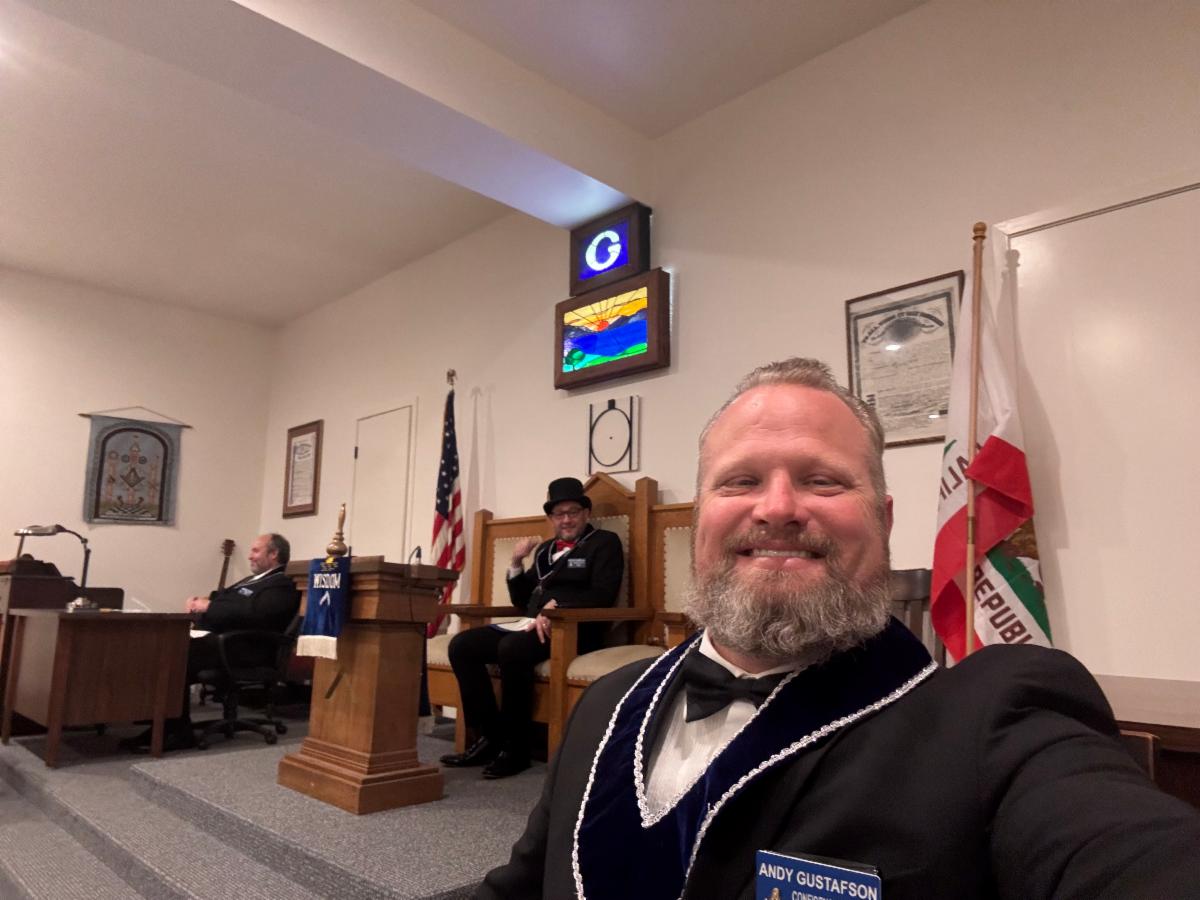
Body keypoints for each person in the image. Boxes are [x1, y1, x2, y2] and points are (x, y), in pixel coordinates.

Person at [479, 359, 1200, 899]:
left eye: (824, 480)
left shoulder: (998, 718)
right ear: (701, 520)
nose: (779, 507)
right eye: (740, 481)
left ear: (884, 521)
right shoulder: (607, 703)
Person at [441, 477, 624, 779]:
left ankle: (516, 749)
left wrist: (560, 608)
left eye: (573, 512)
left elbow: (603, 594)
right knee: (462, 646)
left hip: (576, 630)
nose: (566, 519)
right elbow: (522, 599)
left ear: (586, 514)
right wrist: (516, 562)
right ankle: (490, 737)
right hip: (530, 623)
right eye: (559, 514)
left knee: (511, 649)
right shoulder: (544, 550)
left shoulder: (604, 544)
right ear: (551, 518)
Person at [123, 533, 300, 752]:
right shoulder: (253, 580)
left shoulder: (282, 583)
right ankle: (163, 724)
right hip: (220, 642)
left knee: (173, 653)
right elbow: (224, 602)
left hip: (245, 649)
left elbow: (256, 614)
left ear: (274, 554)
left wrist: (209, 607)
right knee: (163, 645)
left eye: (256, 551)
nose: (250, 556)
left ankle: (177, 731)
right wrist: (199, 603)